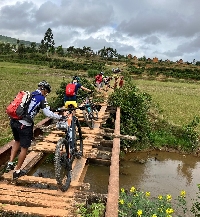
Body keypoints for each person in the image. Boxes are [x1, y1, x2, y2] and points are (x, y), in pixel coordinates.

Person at [6, 80, 62, 179]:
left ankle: (10, 163)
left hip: (14, 121)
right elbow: (48, 114)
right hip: (24, 125)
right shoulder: (41, 98)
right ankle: (17, 171)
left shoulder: (30, 94)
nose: (47, 94)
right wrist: (59, 117)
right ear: (44, 90)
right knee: (24, 148)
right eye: (47, 92)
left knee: (17, 141)